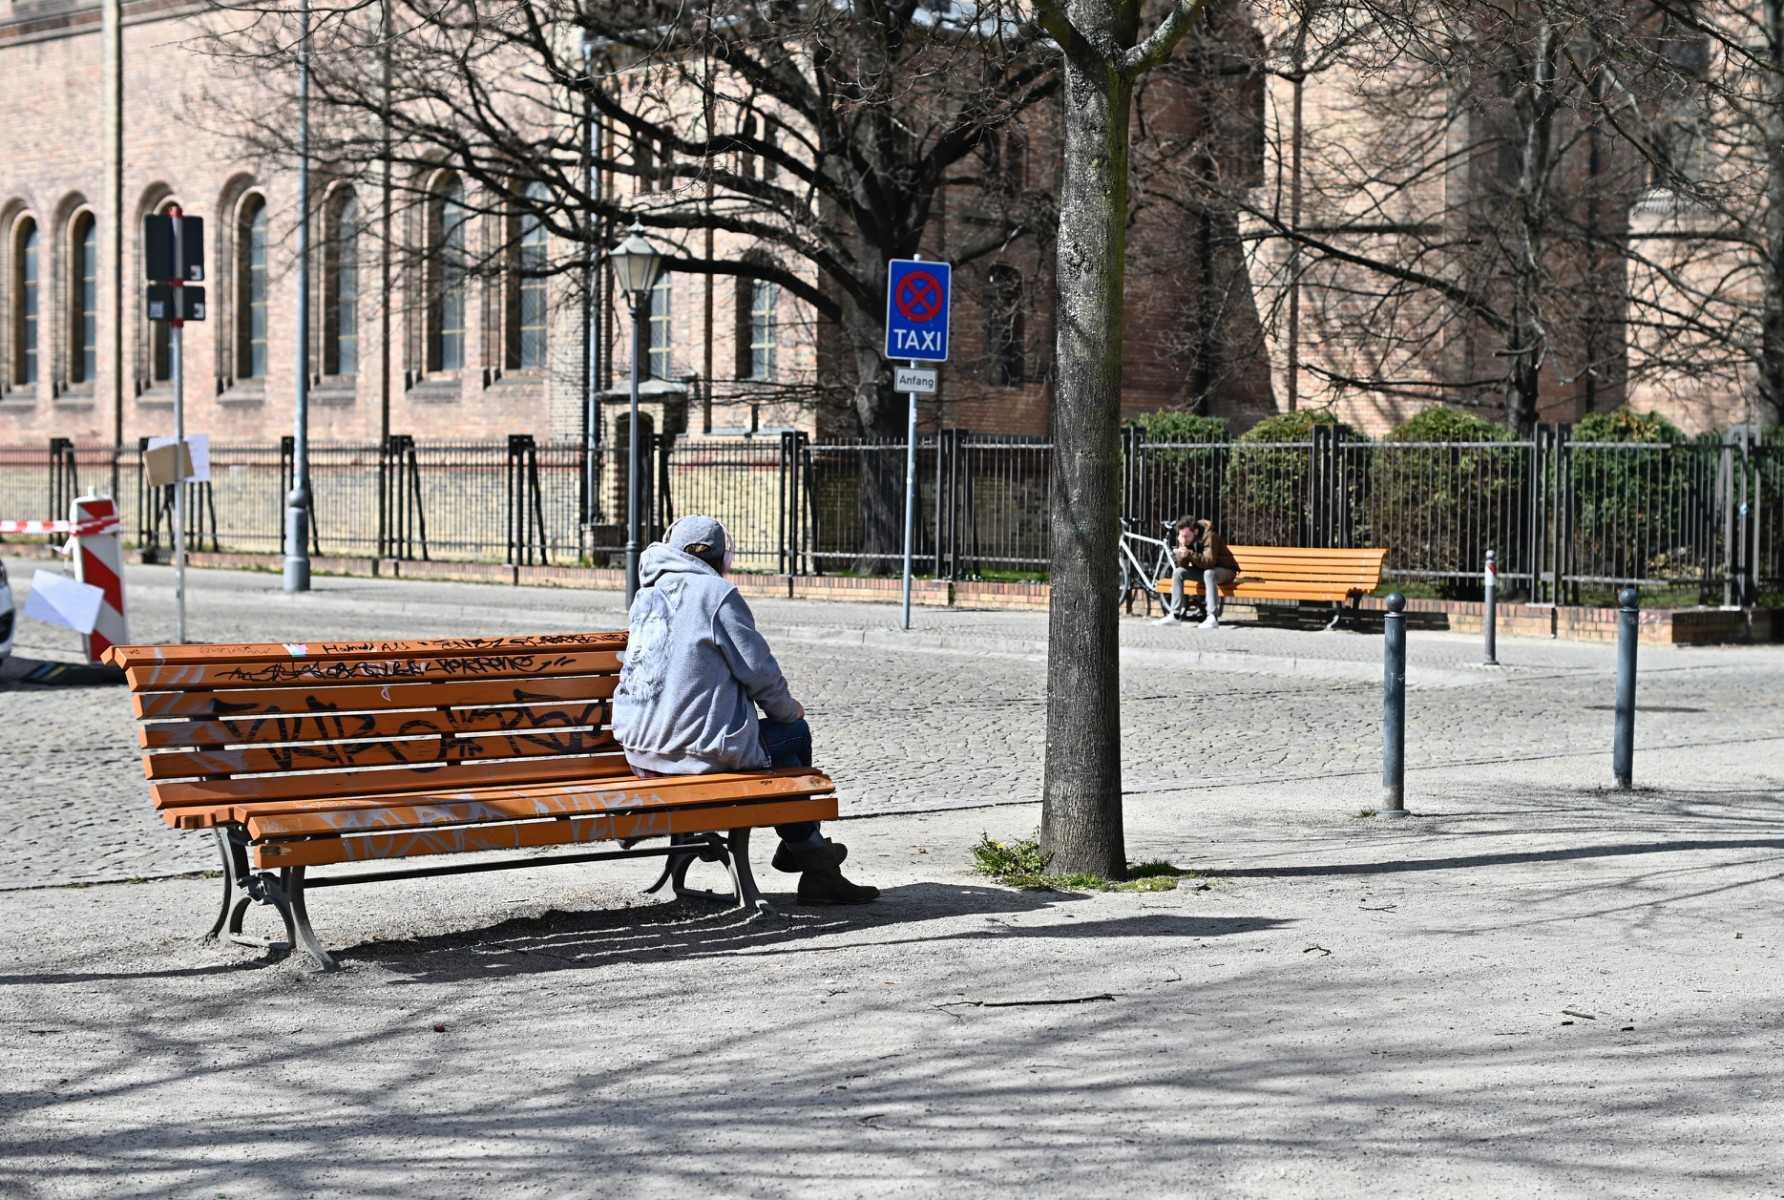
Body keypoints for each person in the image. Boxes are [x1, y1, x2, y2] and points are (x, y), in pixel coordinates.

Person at [613, 514, 879, 905]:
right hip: (694, 756)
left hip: (641, 753)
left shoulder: (647, 595)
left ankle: (809, 852)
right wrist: (790, 710)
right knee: (793, 735)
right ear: (718, 556)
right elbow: (759, 672)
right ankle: (810, 854)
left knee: (781, 751)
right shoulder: (716, 595)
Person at [1154, 515, 1239, 630]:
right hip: (1205, 571)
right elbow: (1182, 565)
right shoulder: (1185, 538)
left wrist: (1189, 553)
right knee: (1178, 572)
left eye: (1186, 536)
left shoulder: (1210, 536)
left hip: (1226, 570)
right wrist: (1183, 549)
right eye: (1181, 535)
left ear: (1196, 531)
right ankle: (1175, 615)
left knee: (1209, 573)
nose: (1184, 538)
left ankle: (1212, 617)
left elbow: (1209, 562)